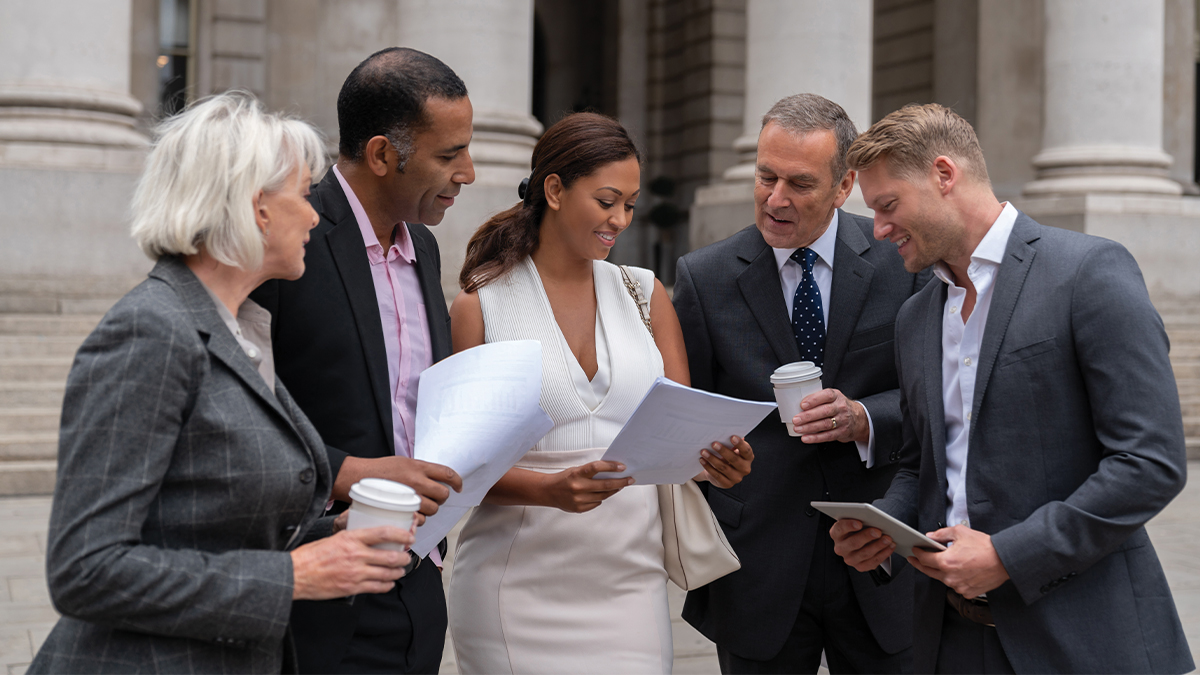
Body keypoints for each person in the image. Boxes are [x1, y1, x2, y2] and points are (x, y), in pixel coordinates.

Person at [29, 93, 415, 674]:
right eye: (304, 196)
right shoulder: (150, 332)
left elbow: (202, 519)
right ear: (256, 207)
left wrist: (328, 533)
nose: (315, 216)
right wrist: (294, 577)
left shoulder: (241, 329)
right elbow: (86, 569)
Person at [831, 103, 1193, 674]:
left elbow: (1151, 462)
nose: (878, 229)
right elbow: (923, 462)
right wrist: (886, 527)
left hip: (1085, 641)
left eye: (887, 205)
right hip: (946, 641)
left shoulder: (1088, 272)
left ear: (944, 175)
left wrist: (1009, 556)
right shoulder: (916, 315)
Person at [446, 112, 754, 674]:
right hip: (512, 585)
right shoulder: (480, 306)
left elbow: (680, 432)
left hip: (630, 585)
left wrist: (715, 462)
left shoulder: (643, 292)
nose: (621, 219)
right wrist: (548, 491)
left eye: (631, 204)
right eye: (607, 200)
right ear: (555, 189)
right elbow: (459, 470)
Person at [672, 93, 929, 674]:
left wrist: (864, 418)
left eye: (800, 183)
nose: (775, 199)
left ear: (845, 187)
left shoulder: (901, 261)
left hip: (878, 555)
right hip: (755, 564)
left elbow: (931, 396)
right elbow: (689, 411)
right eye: (765, 177)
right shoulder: (704, 277)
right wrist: (710, 454)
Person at [248, 48, 469, 674]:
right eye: (450, 155)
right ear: (380, 155)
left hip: (418, 585)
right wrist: (349, 473)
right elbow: (244, 416)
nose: (470, 172)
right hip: (314, 593)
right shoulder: (288, 240)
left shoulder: (424, 247)